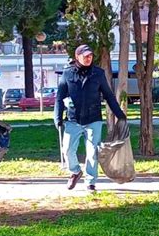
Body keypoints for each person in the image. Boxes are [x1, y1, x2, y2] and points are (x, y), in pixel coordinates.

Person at [54, 44, 126, 193]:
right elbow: (59, 98)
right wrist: (58, 117)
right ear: (77, 56)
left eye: (90, 56)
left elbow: (108, 95)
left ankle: (90, 182)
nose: (88, 58)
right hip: (73, 119)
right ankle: (75, 171)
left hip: (93, 118)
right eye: (85, 56)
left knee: (92, 151)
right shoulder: (67, 73)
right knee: (67, 150)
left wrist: (119, 114)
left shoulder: (98, 73)